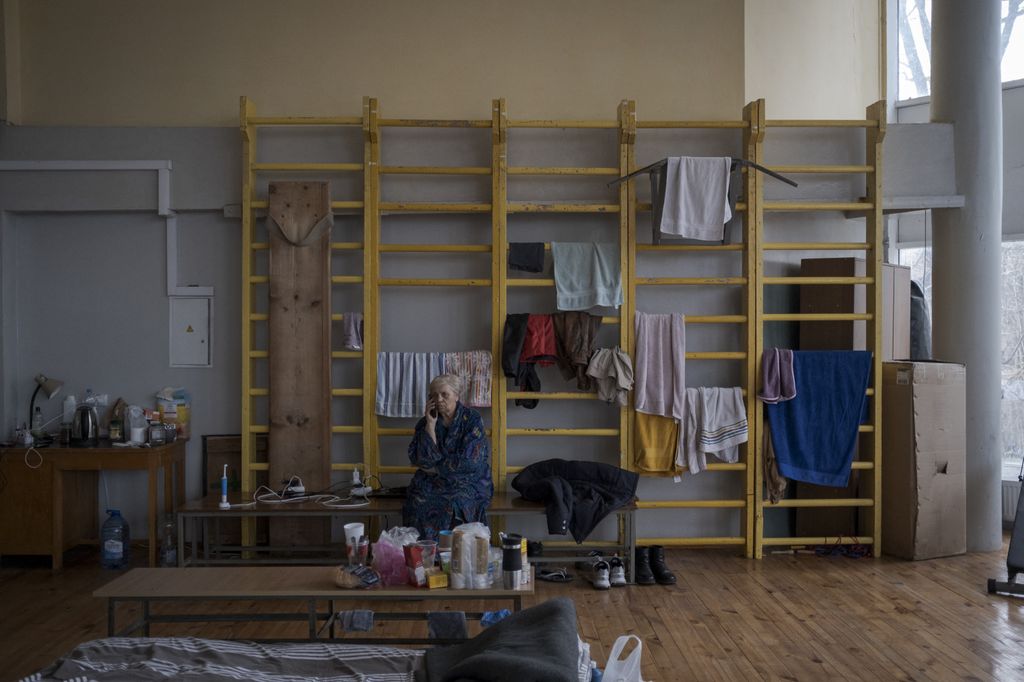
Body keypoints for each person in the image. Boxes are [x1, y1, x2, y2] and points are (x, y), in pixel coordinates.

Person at [402, 374, 493, 540]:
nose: (439, 399)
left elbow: (470, 461)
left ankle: (453, 554)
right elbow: (421, 460)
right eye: (434, 395)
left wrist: (435, 467)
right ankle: (424, 553)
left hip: (469, 480)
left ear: (457, 396)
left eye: (445, 394)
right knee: (418, 498)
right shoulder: (425, 423)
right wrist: (430, 426)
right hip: (434, 481)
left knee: (455, 502)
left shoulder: (472, 420)